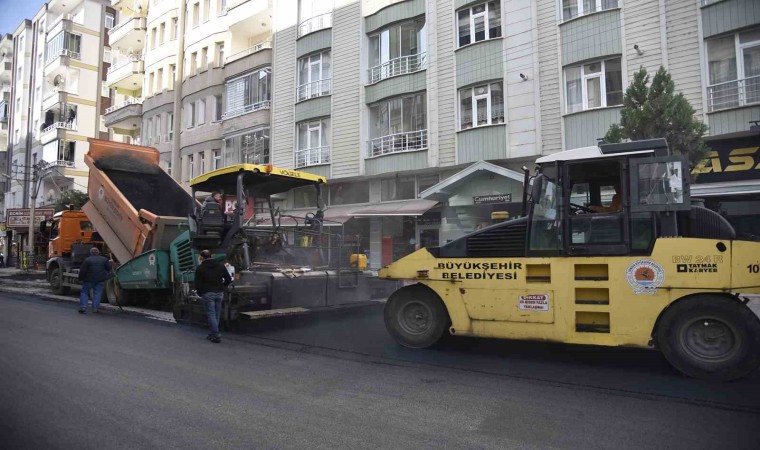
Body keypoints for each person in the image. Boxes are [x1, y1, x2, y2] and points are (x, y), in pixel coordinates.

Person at [194, 250, 232, 343]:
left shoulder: (200, 268)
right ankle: (212, 333)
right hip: (219, 293)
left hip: (208, 293)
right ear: (211, 256)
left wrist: (200, 293)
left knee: (211, 314)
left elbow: (198, 283)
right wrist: (223, 286)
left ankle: (216, 334)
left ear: (202, 258)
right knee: (216, 314)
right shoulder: (220, 265)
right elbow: (228, 278)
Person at [78, 247, 112, 314]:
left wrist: (80, 278)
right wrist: (110, 263)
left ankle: (83, 307)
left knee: (84, 292)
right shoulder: (104, 259)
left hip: (88, 280)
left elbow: (82, 271)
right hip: (100, 280)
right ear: (98, 252)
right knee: (97, 293)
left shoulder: (87, 260)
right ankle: (95, 308)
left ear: (90, 253)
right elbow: (108, 268)